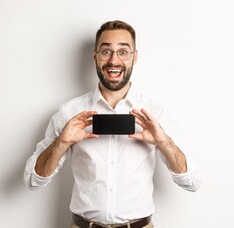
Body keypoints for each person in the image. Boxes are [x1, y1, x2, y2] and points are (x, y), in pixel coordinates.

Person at [24, 20, 201, 228]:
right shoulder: (70, 112)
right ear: (95, 57)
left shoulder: (156, 113)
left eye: (123, 52)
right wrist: (61, 142)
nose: (114, 60)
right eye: (106, 51)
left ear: (135, 57)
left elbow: (193, 182)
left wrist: (164, 142)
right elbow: (32, 181)